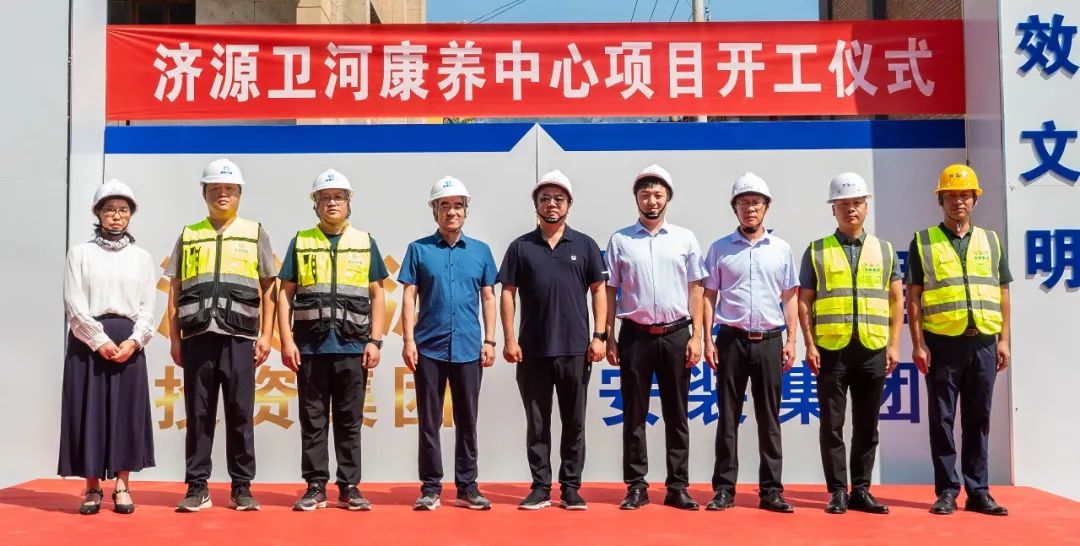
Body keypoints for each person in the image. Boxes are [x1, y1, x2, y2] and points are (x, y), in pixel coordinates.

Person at [165, 158, 277, 512]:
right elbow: (175, 288)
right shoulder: (189, 234)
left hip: (240, 337)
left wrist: (266, 335)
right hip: (197, 335)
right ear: (204, 193)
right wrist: (174, 338)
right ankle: (197, 486)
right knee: (198, 414)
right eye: (215, 188)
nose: (222, 194)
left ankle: (241, 486)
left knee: (240, 413)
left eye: (229, 189)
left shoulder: (254, 232)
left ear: (239, 194)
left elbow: (269, 287)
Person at [278, 169, 387, 511]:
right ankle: (315, 486)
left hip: (353, 346)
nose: (332, 203)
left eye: (338, 197)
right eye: (325, 198)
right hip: (310, 347)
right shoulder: (301, 241)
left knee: (349, 420)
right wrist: (286, 341)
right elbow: (285, 294)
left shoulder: (365, 241)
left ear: (349, 203)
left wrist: (375, 341)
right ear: (316, 204)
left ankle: (350, 486)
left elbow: (378, 295)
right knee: (312, 420)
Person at [907, 164, 1011, 516]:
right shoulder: (924, 242)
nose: (958, 201)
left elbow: (1002, 291)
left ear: (975, 199)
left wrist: (1004, 340)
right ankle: (947, 491)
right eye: (950, 195)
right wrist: (918, 343)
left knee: (978, 418)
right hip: (942, 343)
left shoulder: (991, 241)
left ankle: (978, 491)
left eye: (965, 195)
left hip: (983, 341)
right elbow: (914, 296)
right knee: (942, 419)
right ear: (941, 200)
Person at [500, 170, 607, 511]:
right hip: (532, 350)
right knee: (537, 422)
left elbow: (599, 290)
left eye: (558, 199)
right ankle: (541, 487)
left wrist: (600, 335)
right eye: (544, 199)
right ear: (536, 205)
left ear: (569, 204)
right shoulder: (521, 247)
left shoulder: (585, 245)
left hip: (576, 349)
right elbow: (507, 293)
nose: (551, 204)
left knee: (574, 422)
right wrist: (509, 339)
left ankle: (571, 487)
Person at [797, 172, 902, 515]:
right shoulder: (817, 250)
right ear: (833, 209)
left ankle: (862, 489)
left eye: (857, 203)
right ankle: (838, 491)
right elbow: (805, 300)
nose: (850, 209)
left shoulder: (884, 250)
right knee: (832, 424)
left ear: (866, 207)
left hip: (872, 348)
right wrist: (809, 344)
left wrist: (894, 345)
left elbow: (896, 299)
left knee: (867, 424)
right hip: (832, 349)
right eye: (843, 204)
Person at [604, 164, 706, 511]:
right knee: (634, 414)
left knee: (677, 414)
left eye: (658, 195)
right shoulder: (620, 240)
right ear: (636, 198)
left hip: (676, 334)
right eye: (645, 195)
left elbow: (696, 288)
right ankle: (636, 485)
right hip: (635, 335)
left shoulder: (684, 238)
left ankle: (678, 486)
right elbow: (610, 289)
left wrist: (697, 335)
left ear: (668, 199)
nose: (651, 201)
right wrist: (609, 336)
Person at [400, 176, 498, 511]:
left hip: (469, 347)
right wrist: (408, 340)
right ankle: (430, 488)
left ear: (465, 210)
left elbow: (489, 297)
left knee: (467, 420)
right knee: (429, 421)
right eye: (445, 205)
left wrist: (490, 340)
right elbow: (409, 295)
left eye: (458, 205)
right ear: (435, 210)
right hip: (428, 347)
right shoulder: (419, 249)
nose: (452, 212)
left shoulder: (481, 251)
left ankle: (468, 486)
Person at [703, 172, 798, 513]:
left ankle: (771, 490)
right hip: (731, 340)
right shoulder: (720, 249)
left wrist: (792, 340)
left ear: (766, 207)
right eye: (743, 203)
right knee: (728, 417)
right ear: (735, 209)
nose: (750, 209)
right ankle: (724, 489)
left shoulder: (781, 249)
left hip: (770, 340)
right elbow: (708, 297)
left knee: (769, 419)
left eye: (756, 202)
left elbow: (790, 296)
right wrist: (707, 339)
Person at [59, 179, 156, 515]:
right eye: (110, 209)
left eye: (123, 210)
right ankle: (91, 487)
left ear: (131, 215)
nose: (116, 216)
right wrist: (98, 340)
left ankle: (122, 486)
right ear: (97, 213)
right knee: (88, 412)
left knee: (126, 413)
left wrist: (134, 340)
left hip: (128, 341)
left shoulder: (142, 258)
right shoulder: (80, 253)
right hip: (87, 342)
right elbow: (74, 303)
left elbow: (148, 307)